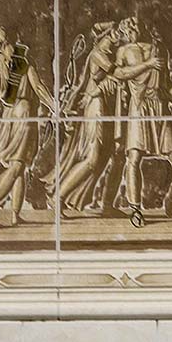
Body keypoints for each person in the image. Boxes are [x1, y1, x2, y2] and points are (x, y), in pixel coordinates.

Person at [110, 16, 172, 227]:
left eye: (134, 28)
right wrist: (148, 64)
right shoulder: (124, 51)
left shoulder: (160, 48)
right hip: (138, 108)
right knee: (134, 158)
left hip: (160, 108)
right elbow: (119, 74)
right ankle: (136, 209)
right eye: (128, 30)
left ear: (142, 28)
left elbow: (167, 84)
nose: (131, 33)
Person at [0, 27, 54, 227]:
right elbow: (38, 87)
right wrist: (54, 106)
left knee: (20, 167)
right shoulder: (23, 61)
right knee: (17, 165)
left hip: (12, 114)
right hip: (23, 114)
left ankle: (15, 214)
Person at [43, 22, 123, 213]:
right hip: (95, 107)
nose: (116, 37)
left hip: (104, 107)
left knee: (106, 155)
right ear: (104, 36)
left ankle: (105, 204)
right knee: (92, 159)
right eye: (113, 33)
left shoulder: (105, 55)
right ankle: (57, 197)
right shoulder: (98, 55)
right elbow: (118, 74)